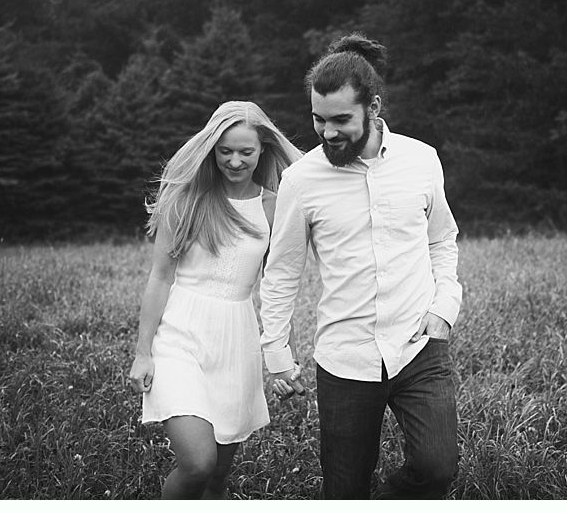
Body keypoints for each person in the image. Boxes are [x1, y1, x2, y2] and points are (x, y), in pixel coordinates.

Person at [259, 33, 463, 499]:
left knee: (437, 468)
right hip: (345, 360)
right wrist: (275, 352)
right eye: (318, 119)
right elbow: (283, 272)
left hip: (419, 348)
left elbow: (442, 239)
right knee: (345, 490)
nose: (327, 132)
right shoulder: (301, 180)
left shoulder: (422, 160)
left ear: (373, 106)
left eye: (341, 120)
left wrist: (444, 305)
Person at [128, 100, 302, 499]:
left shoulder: (275, 206)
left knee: (218, 476)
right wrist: (143, 351)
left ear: (263, 149)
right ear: (211, 149)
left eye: (246, 151)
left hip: (236, 340)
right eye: (225, 151)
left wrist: (281, 359)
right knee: (197, 464)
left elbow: (279, 286)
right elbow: (161, 275)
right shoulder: (187, 198)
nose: (235, 161)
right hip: (180, 334)